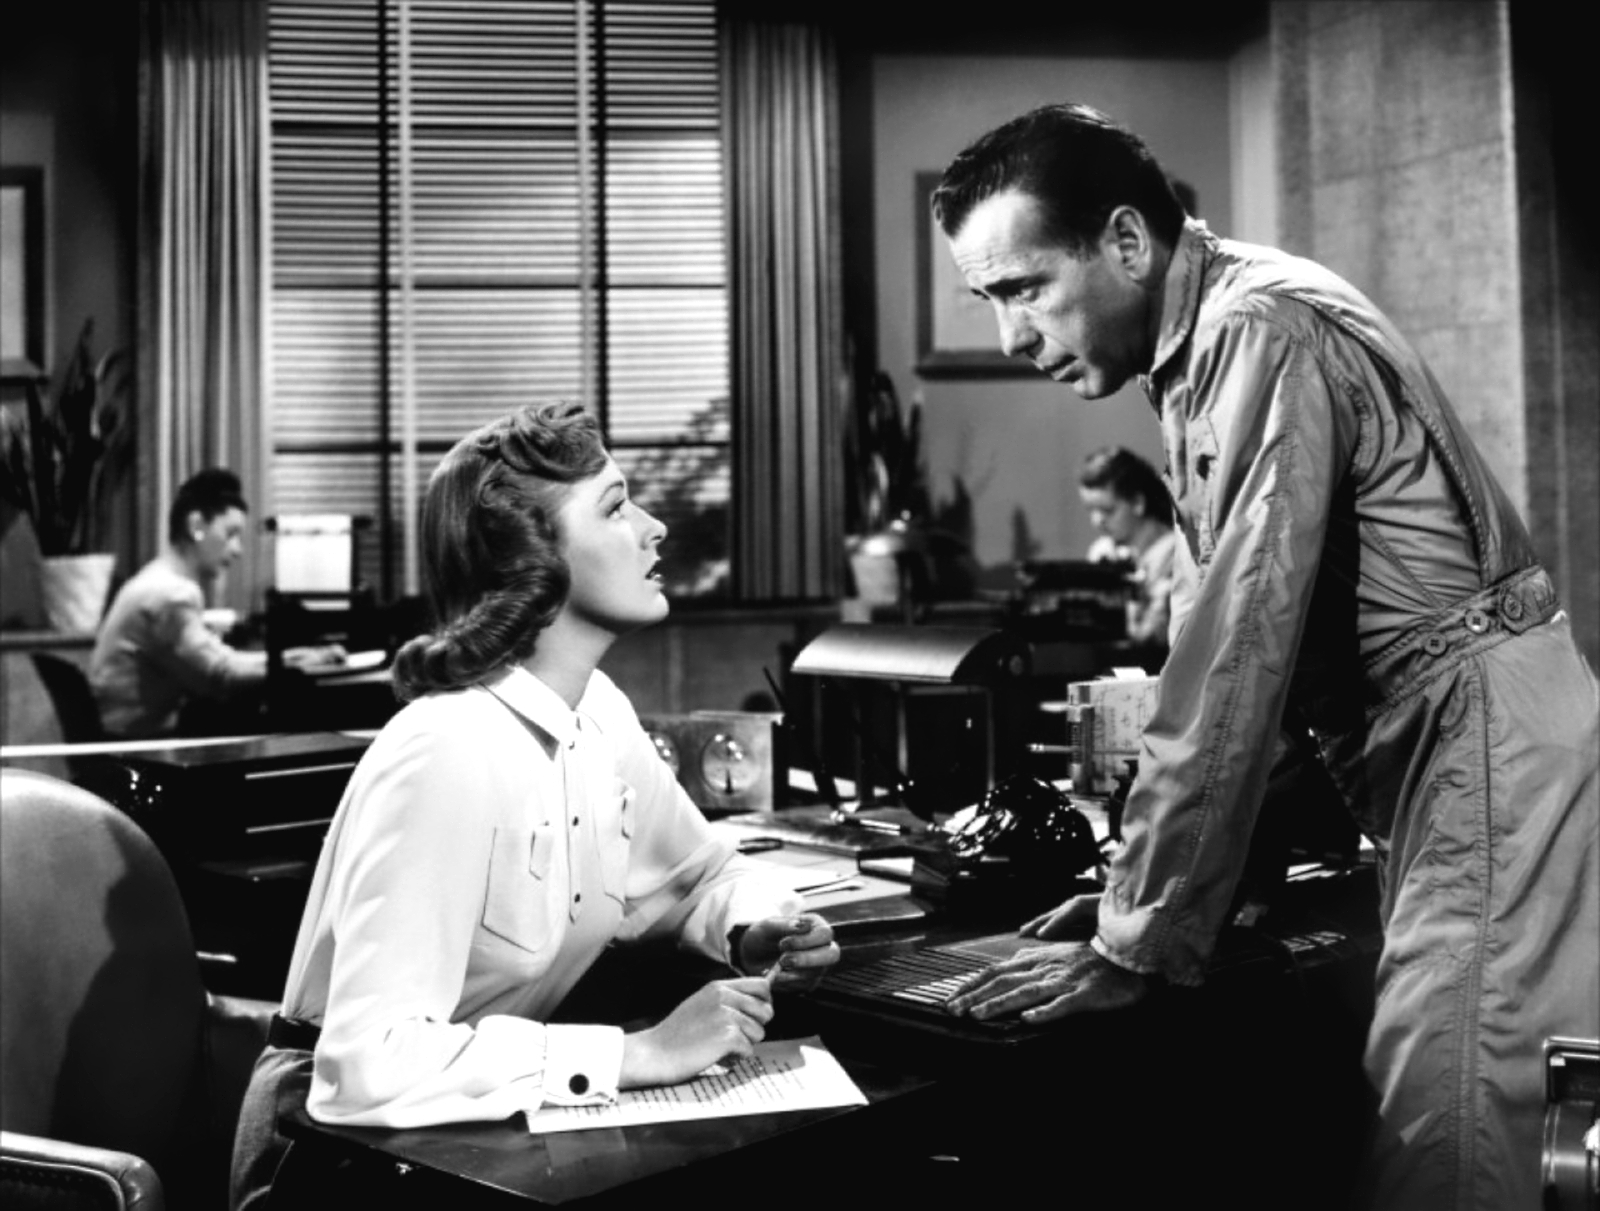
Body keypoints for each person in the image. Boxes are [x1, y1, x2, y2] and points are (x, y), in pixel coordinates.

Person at [931, 102, 1597, 1209]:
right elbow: (1275, 670)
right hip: (1467, 757)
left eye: (1024, 288)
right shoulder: (1206, 343)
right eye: (988, 300)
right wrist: (1145, 900)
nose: (1010, 336)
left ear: (1126, 241)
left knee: (1452, 1152)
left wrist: (1138, 936)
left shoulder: (1255, 328)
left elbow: (1236, 652)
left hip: (1487, 767)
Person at [229, 401, 838, 1209]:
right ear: (534, 557)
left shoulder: (599, 712)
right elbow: (367, 1067)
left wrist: (753, 927)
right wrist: (639, 1054)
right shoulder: (446, 748)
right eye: (616, 507)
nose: (655, 527)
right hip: (330, 1157)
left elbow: (701, 873)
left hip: (470, 1132)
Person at [89, 467, 340, 738]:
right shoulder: (170, 593)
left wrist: (296, 657)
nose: (237, 550)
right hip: (136, 745)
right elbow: (221, 677)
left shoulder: (156, 578)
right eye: (230, 534)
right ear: (196, 526)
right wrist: (301, 667)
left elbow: (224, 660)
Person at [1078, 444, 1179, 649]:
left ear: (1137, 503)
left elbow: (1156, 634)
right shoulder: (1101, 552)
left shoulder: (1173, 553)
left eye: (1107, 510)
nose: (1097, 521)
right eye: (1090, 510)